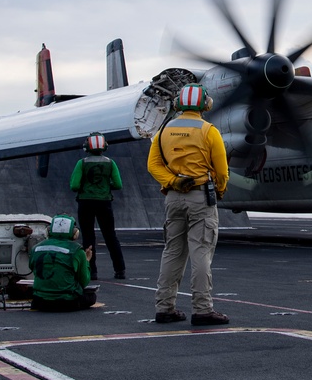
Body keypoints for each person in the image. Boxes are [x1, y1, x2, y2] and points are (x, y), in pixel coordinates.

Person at [146, 84, 230, 326]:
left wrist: (172, 181)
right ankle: (203, 309)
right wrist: (221, 190)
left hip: (173, 196)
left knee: (172, 252)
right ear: (206, 104)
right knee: (201, 252)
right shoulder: (208, 131)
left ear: (177, 105)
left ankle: (164, 308)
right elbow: (222, 170)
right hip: (200, 196)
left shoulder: (163, 131)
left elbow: (153, 165)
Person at [70, 132, 126, 280]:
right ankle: (120, 270)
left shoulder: (81, 163)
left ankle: (91, 271)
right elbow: (118, 184)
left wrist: (86, 186)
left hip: (85, 202)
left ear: (87, 147)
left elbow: (74, 185)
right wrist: (106, 186)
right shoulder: (110, 163)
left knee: (88, 237)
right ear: (104, 147)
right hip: (104, 202)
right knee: (110, 236)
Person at [29, 214, 97, 312]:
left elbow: (32, 267)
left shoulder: (36, 248)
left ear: (48, 231)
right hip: (67, 301)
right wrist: (86, 261)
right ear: (75, 233)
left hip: (40, 301)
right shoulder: (77, 250)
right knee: (91, 296)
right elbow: (84, 281)